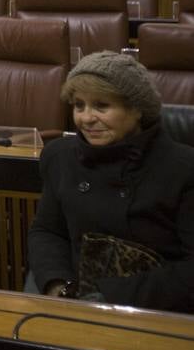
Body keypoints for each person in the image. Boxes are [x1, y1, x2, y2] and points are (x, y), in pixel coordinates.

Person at [28, 52, 194, 312]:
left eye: (101, 106)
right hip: (73, 301)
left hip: (159, 310)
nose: (86, 118)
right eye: (79, 105)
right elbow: (48, 232)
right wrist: (57, 284)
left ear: (137, 109)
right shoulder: (59, 158)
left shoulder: (183, 168)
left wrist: (109, 297)